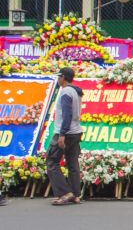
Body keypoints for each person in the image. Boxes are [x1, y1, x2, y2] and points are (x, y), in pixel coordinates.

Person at [46, 67, 84, 206]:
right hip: (75, 132)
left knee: (51, 162)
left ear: (63, 77)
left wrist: (62, 134)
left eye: (59, 77)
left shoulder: (66, 92)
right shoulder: (76, 91)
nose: (57, 79)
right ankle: (76, 194)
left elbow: (67, 115)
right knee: (72, 163)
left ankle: (64, 193)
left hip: (65, 133)